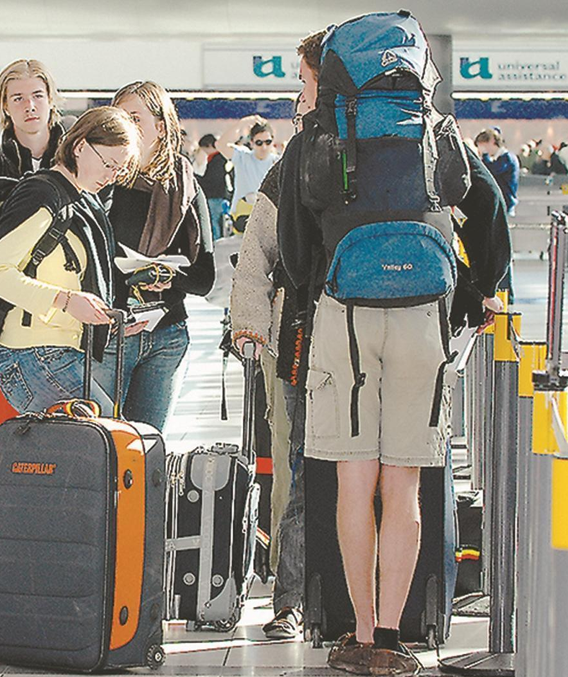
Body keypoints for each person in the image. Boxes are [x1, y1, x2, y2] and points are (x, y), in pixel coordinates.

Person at [277, 27, 511, 676]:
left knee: (355, 480)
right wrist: (479, 290)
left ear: (332, 77)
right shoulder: (435, 131)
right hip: (422, 318)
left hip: (343, 314)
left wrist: (316, 290)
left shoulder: (314, 141)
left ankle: (356, 631)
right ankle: (391, 635)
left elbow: (296, 253)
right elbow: (489, 212)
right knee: (405, 479)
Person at [229, 28, 326, 641]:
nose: (296, 97)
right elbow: (257, 250)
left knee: (326, 467)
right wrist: (249, 325)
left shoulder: (385, 152)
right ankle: (294, 596)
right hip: (301, 332)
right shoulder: (292, 162)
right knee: (299, 464)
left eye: (303, 82)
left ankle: (321, 602)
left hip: (329, 328)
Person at [0, 107, 140, 414]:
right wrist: (65, 301)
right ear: (80, 146)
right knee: (116, 438)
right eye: (108, 164)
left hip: (55, 353)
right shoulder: (42, 194)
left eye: (119, 171)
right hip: (30, 355)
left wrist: (105, 316)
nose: (111, 176)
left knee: (99, 449)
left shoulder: (80, 199)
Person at [89, 81, 214, 432]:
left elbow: (205, 278)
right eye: (118, 119)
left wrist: (166, 275)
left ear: (160, 127)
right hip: (111, 334)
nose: (125, 128)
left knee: (147, 452)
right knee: (102, 447)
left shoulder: (185, 186)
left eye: (134, 118)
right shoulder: (103, 182)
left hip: (166, 335)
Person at [0, 59, 67, 191]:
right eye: (18, 99)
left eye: (38, 96)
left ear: (50, 100)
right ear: (5, 106)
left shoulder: (77, 164)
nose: (30, 107)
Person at [217, 115, 281, 219]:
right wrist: (242, 123)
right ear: (251, 143)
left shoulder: (278, 162)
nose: (264, 147)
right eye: (259, 143)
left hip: (268, 216)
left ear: (272, 141)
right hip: (242, 216)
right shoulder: (242, 156)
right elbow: (220, 145)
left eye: (268, 142)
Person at [475, 128, 520, 216]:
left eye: (483, 146)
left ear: (491, 141)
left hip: (506, 203)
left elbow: (490, 171)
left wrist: (484, 155)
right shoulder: (502, 158)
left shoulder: (507, 158)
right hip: (502, 203)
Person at [195, 133, 232, 240]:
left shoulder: (216, 161)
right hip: (220, 196)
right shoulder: (221, 159)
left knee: (214, 223)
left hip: (214, 197)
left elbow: (212, 180)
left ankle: (216, 243)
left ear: (210, 146)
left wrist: (197, 178)